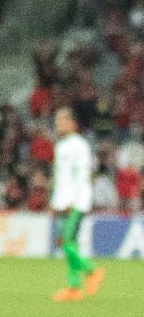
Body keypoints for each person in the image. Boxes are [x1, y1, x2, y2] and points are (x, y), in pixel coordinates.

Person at [49, 106, 105, 302]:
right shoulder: (60, 146)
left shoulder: (80, 145)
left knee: (66, 242)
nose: (57, 123)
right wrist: (56, 202)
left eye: (60, 119)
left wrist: (73, 201)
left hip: (76, 202)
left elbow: (82, 175)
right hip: (63, 202)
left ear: (72, 123)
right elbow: (61, 178)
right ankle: (73, 287)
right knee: (69, 244)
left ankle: (92, 272)